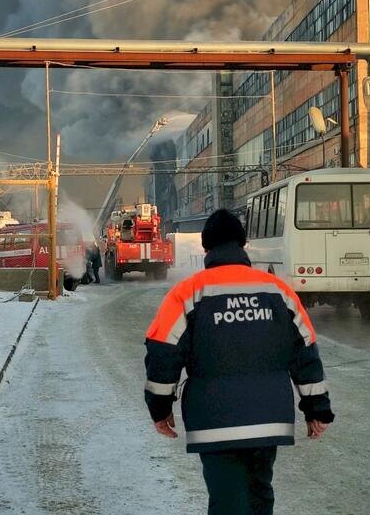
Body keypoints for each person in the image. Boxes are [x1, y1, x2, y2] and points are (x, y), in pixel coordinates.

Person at [143, 209, 334, 515]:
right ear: (243, 245)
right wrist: (317, 409)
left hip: (214, 421)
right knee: (259, 494)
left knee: (228, 499)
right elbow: (305, 351)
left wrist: (160, 408)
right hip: (269, 417)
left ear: (206, 248)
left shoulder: (188, 293)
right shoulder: (278, 291)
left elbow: (164, 351)